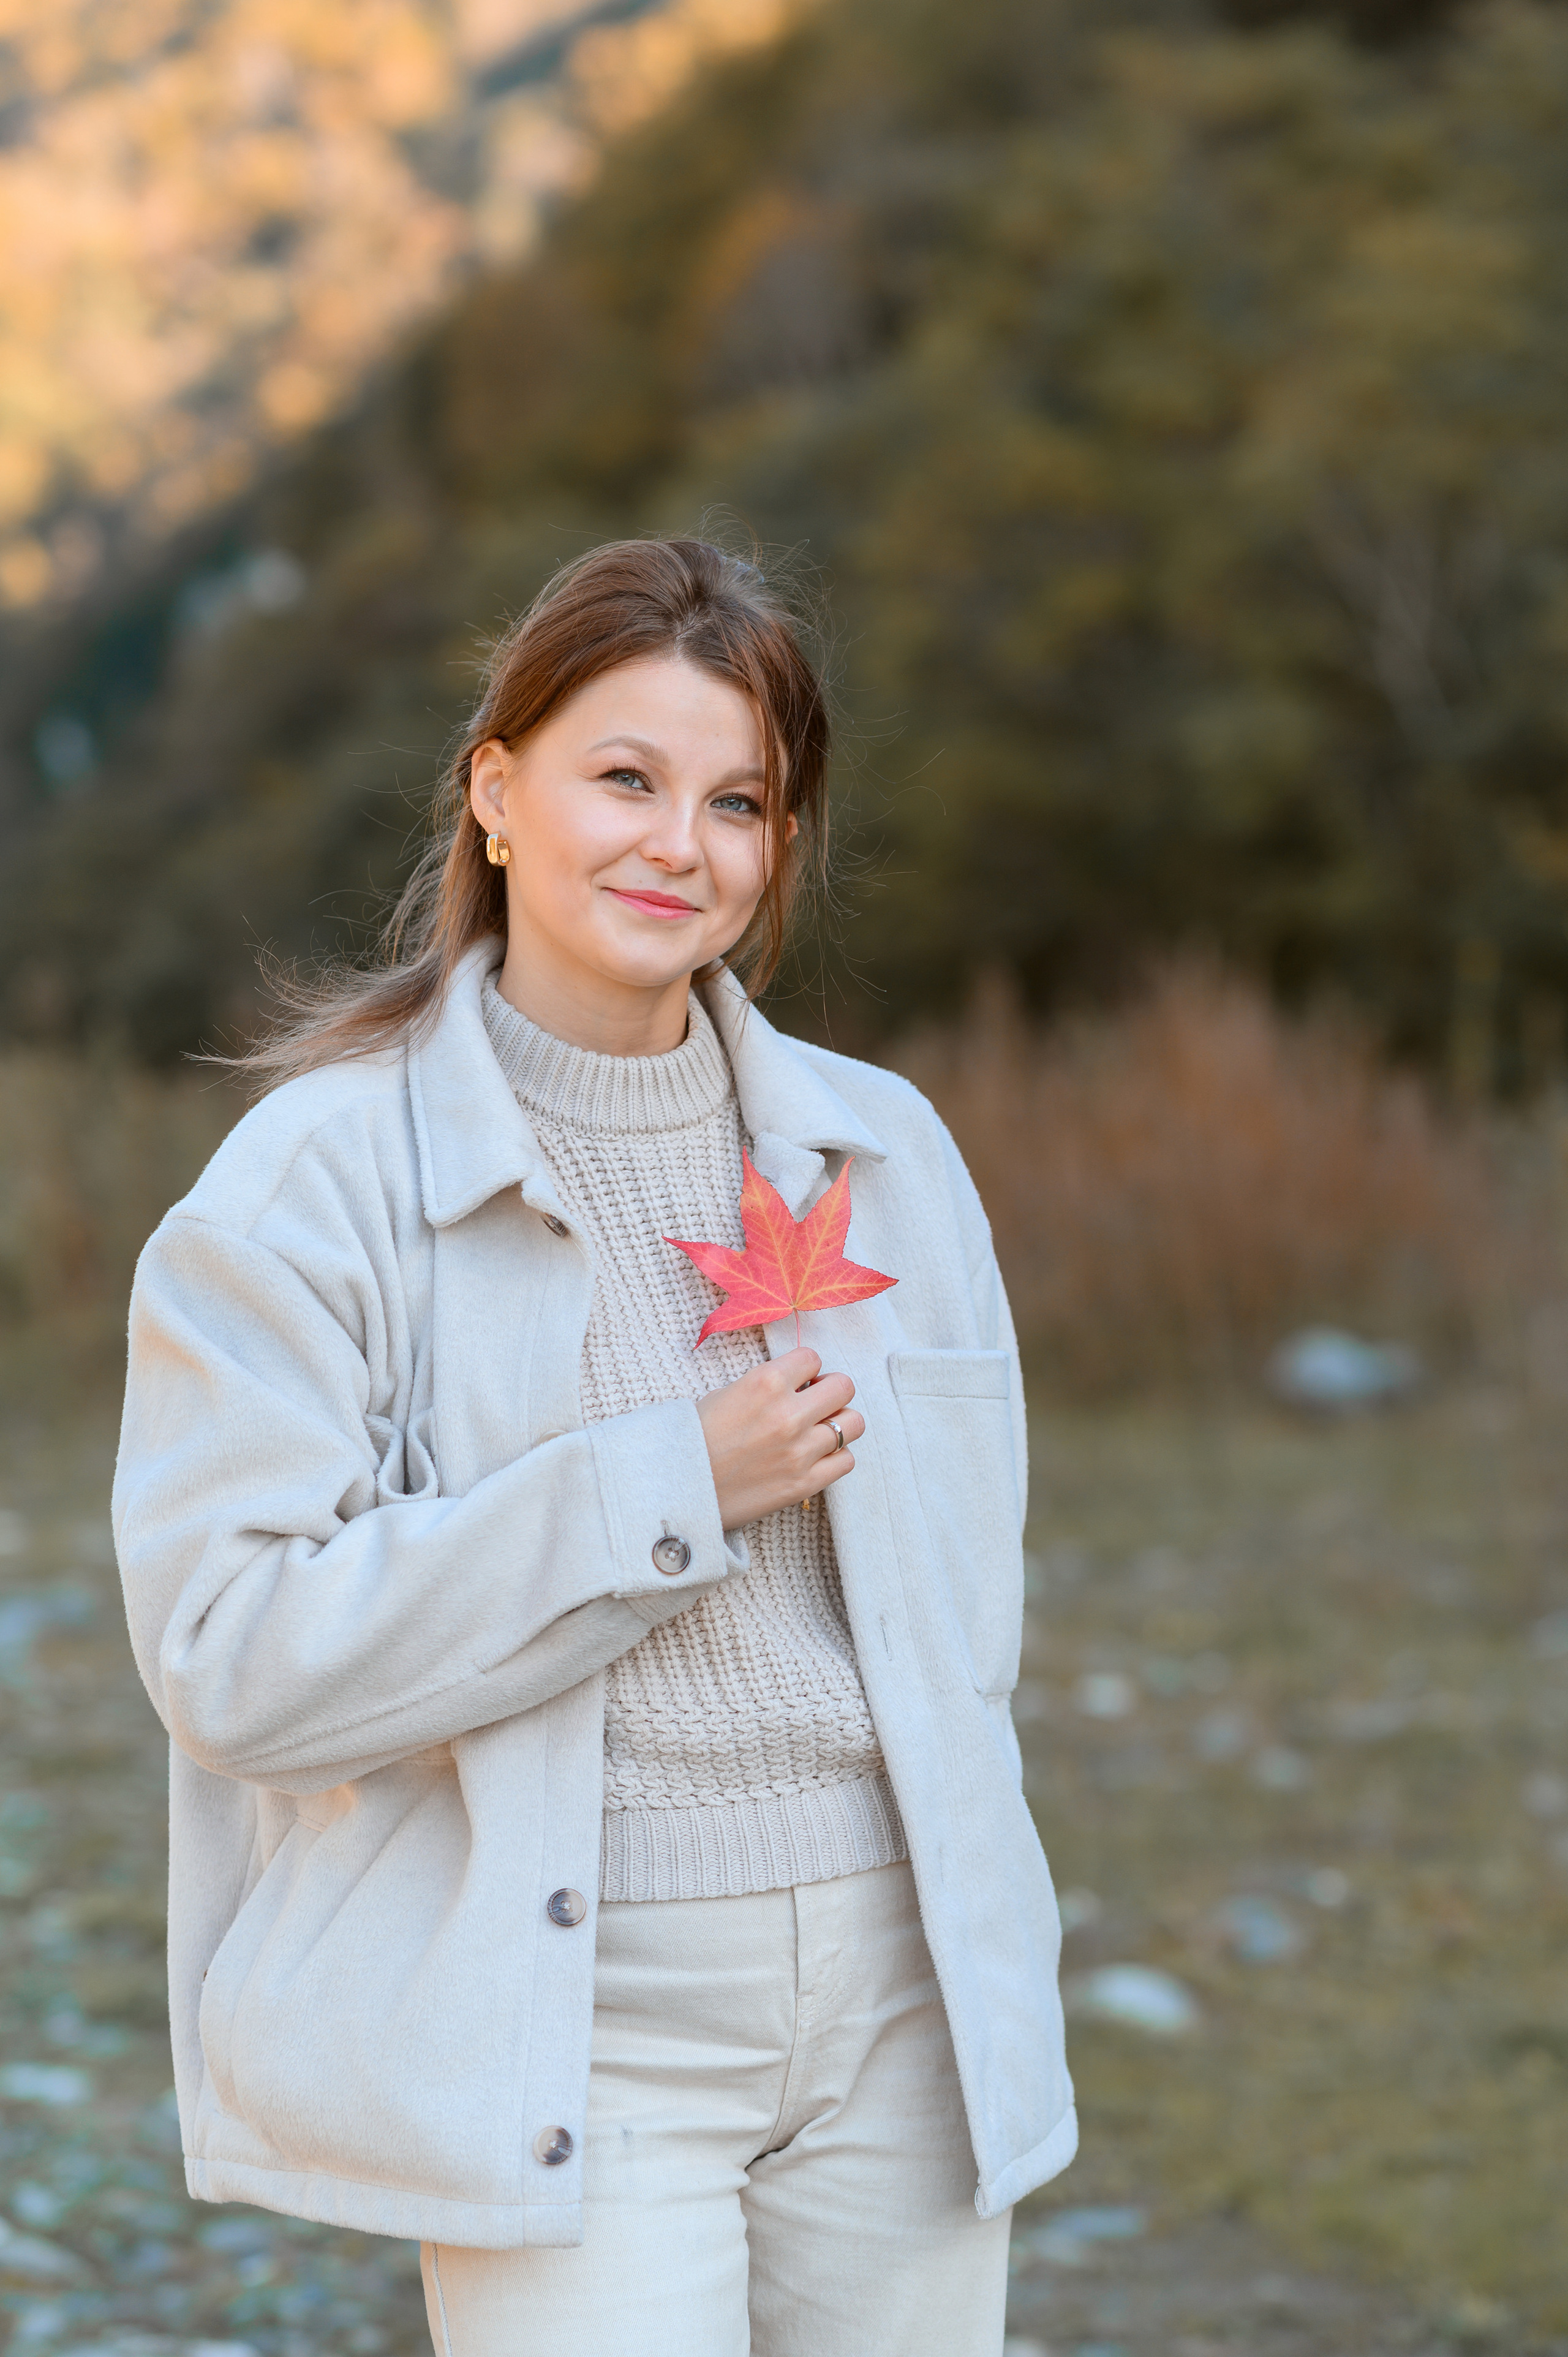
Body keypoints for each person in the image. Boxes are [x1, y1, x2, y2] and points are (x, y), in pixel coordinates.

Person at [113, 537, 1075, 2357]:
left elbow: (970, 1618)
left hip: (904, 2008)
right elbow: (229, 1664)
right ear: (495, 792)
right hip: (572, 2017)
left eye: (738, 800)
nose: (679, 845)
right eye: (623, 778)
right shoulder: (312, 1188)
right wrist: (663, 1491)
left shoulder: (888, 1157)